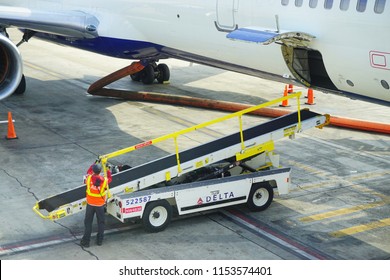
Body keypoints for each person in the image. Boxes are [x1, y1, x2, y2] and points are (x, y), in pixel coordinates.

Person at [80, 163, 112, 247]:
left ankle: (86, 242)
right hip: (100, 205)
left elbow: (88, 172)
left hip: (90, 204)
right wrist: (108, 170)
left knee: (88, 223)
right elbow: (110, 179)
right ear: (100, 171)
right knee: (101, 223)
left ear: (93, 171)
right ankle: (99, 241)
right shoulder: (104, 181)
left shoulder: (89, 178)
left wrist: (94, 163)